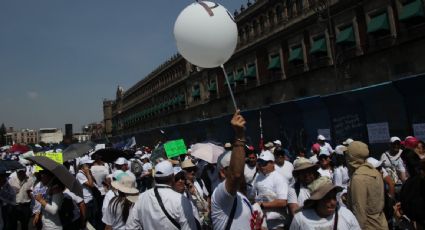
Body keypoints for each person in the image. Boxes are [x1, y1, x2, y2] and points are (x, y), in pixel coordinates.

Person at [211, 110, 265, 230]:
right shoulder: (220, 193)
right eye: (232, 166)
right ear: (222, 172)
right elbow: (235, 174)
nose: (240, 168)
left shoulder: (242, 197)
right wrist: (240, 137)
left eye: (241, 164)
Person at [126, 160, 197, 229]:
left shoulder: (140, 198)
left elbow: (131, 226)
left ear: (155, 178)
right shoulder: (180, 200)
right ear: (173, 177)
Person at [345, 141, 388, 230]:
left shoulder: (358, 178)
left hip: (368, 226)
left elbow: (359, 210)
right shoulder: (375, 172)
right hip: (381, 223)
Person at [290, 182, 361, 230]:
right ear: (317, 200)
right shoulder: (300, 218)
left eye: (334, 197)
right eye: (327, 198)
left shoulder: (346, 215)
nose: (333, 203)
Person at [252, 150, 289, 229]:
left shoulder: (279, 178)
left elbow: (283, 202)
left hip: (277, 224)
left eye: (264, 163)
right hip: (261, 221)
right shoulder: (258, 177)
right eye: (260, 163)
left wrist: (262, 205)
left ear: (272, 163)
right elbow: (252, 195)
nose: (261, 166)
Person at [76, 157, 98, 229]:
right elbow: (91, 185)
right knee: (89, 222)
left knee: (94, 219)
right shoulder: (80, 175)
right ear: (84, 166)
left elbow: (95, 182)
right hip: (86, 201)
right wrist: (88, 173)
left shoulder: (86, 173)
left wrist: (89, 173)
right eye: (88, 164)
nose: (90, 166)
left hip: (91, 199)